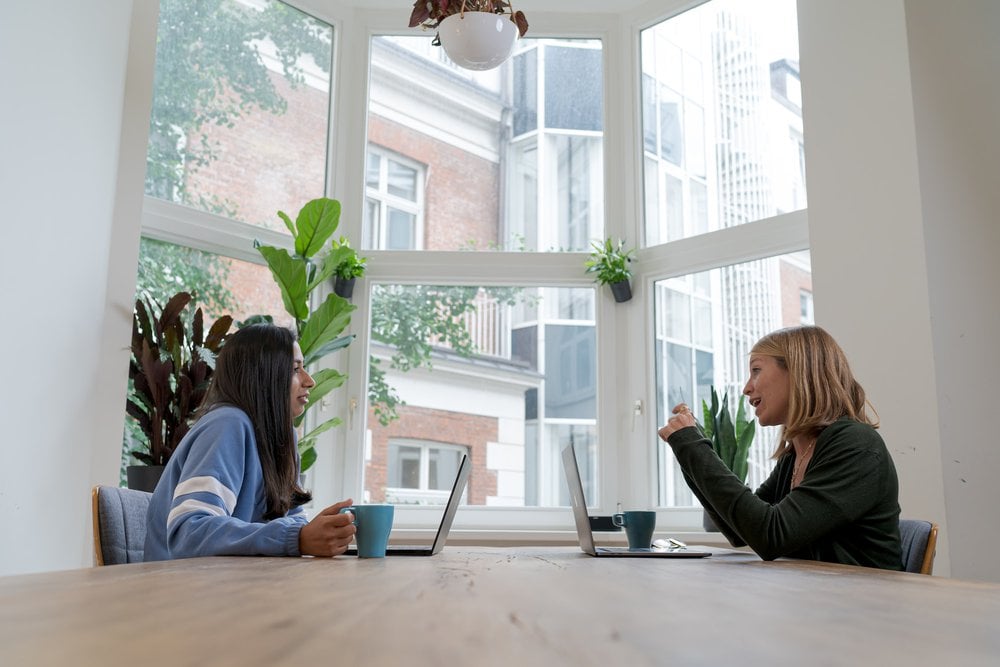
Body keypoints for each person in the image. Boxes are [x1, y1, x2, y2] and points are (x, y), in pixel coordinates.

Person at [657, 325, 902, 570]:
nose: (746, 388)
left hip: (866, 603)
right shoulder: (797, 453)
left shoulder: (855, 445)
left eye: (756, 371)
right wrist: (689, 449)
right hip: (820, 599)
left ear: (798, 372)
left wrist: (694, 448)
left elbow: (772, 536)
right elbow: (739, 531)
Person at [144, 323, 357, 561]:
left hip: (235, 585)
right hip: (178, 590)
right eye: (295, 369)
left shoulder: (281, 436)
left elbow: (291, 520)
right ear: (264, 374)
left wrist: (310, 533)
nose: (309, 381)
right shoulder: (227, 424)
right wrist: (295, 538)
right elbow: (189, 532)